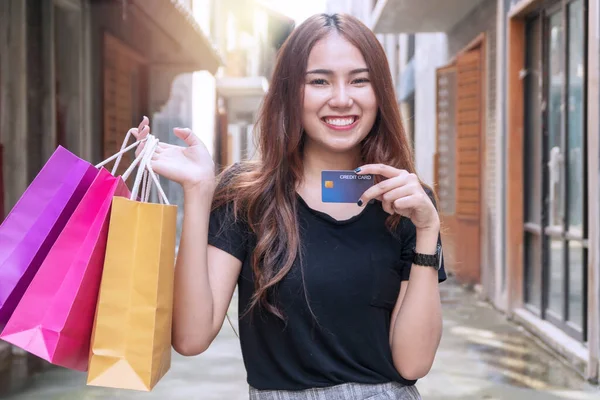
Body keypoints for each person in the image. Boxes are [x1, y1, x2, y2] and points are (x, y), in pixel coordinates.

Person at [133, 13, 446, 400]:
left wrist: (427, 233)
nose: (342, 98)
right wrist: (199, 191)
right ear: (289, 91)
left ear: (379, 91)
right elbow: (191, 337)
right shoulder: (247, 196)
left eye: (359, 80)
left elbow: (413, 365)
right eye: (319, 81)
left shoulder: (407, 202)